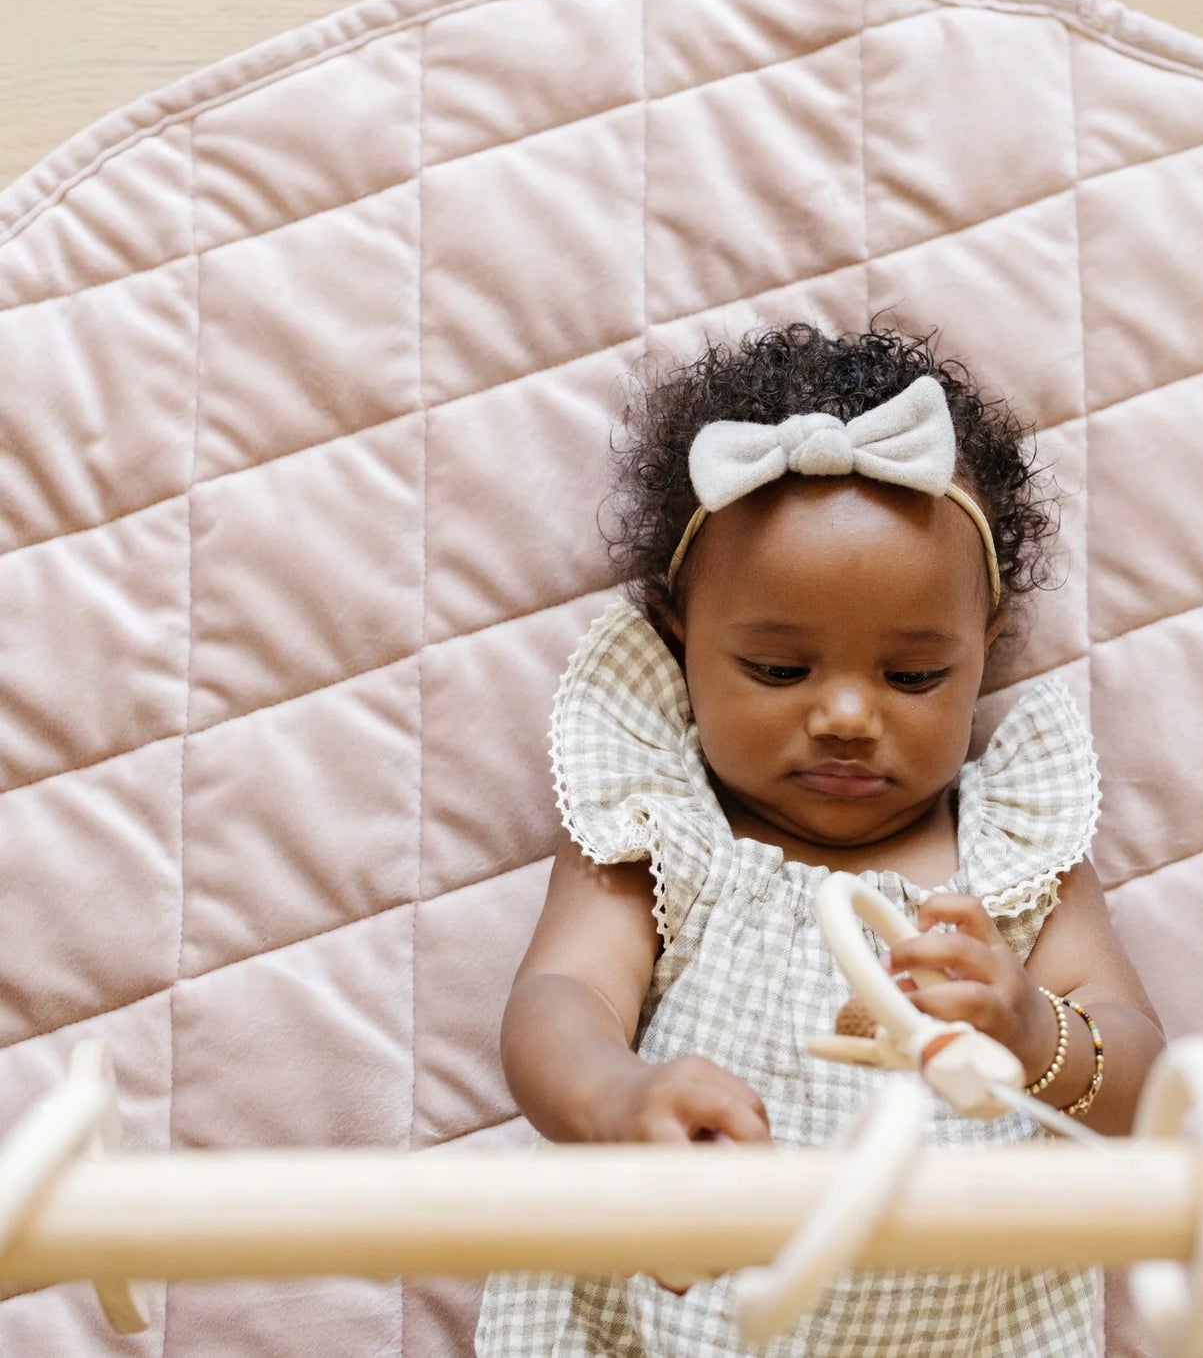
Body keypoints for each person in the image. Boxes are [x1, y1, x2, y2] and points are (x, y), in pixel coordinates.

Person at [475, 322, 1165, 1356]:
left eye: (912, 675)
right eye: (778, 669)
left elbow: (1144, 1082)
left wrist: (1027, 1026)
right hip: (666, 1315)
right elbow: (556, 1002)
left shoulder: (1014, 856)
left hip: (960, 1323)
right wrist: (617, 1100)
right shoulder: (664, 828)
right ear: (679, 639)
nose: (846, 714)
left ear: (985, 649)